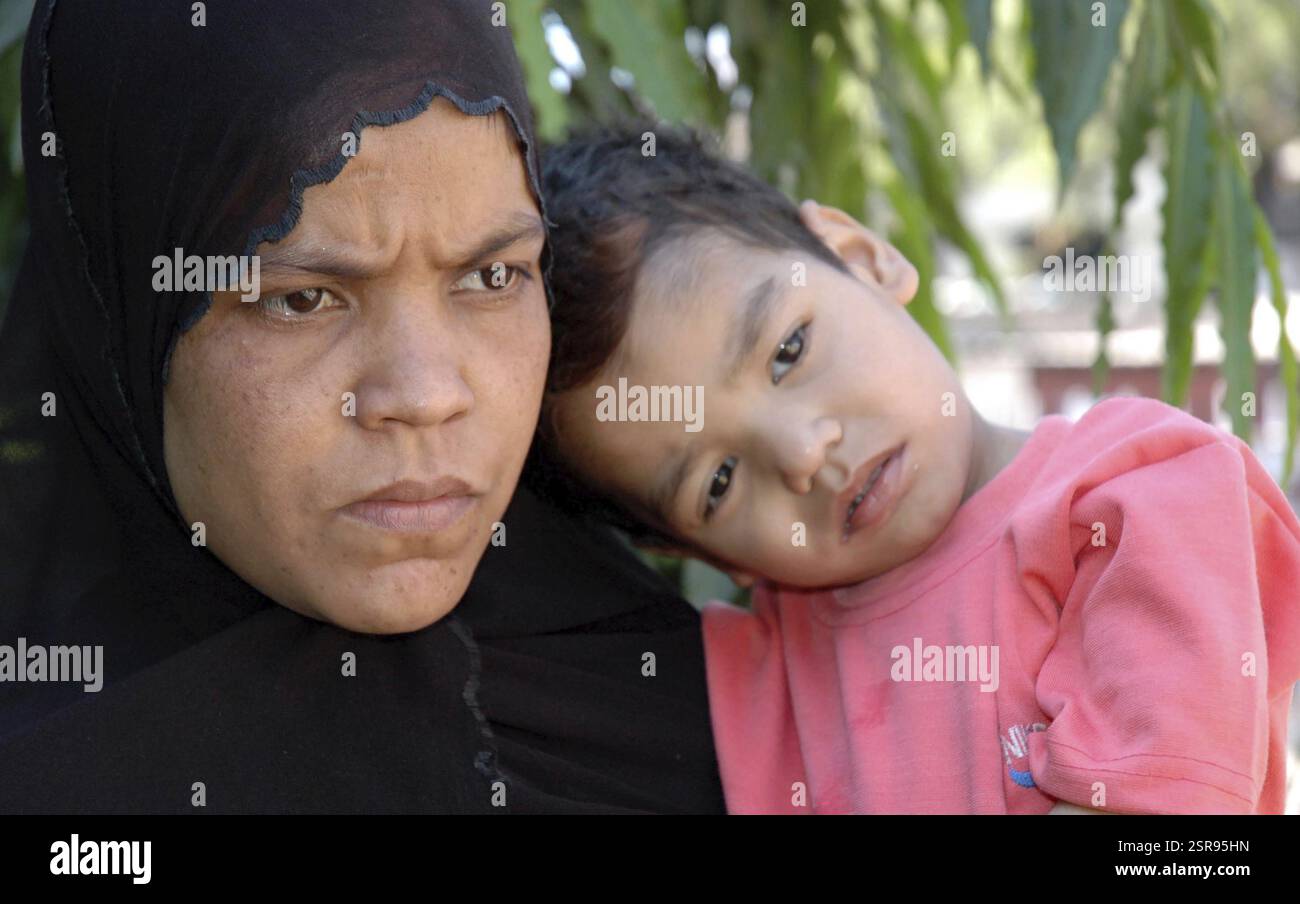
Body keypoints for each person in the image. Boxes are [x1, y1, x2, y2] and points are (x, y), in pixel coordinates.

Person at [0, 1, 724, 814]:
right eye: (302, 299)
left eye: (491, 277)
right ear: (124, 318)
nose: (425, 397)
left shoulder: (685, 693)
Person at [535, 124, 1300, 814]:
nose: (805, 452)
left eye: (788, 351)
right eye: (719, 483)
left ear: (863, 257)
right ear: (698, 554)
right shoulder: (757, 688)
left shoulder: (1140, 494)